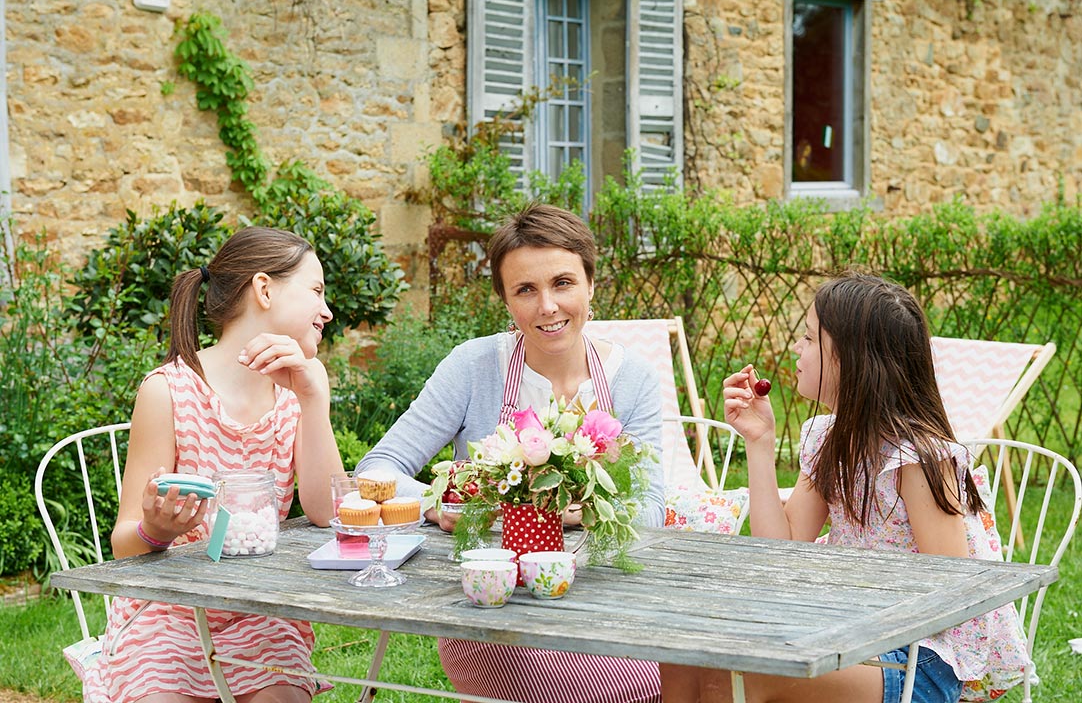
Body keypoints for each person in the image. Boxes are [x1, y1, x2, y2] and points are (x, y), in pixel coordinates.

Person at [660, 273, 1031, 703]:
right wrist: (758, 444)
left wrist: (849, 613)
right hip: (845, 637)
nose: (796, 348)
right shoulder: (830, 440)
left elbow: (952, 591)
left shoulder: (919, 459)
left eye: (809, 339)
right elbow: (781, 551)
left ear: (850, 359)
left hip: (918, 660)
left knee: (729, 678)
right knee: (685, 654)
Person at [356, 201, 665, 703]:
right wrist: (445, 505)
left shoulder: (632, 380)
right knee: (636, 685)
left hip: (611, 598)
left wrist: (583, 508)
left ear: (591, 284)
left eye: (562, 282)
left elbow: (650, 510)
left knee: (700, 678)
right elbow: (378, 469)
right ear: (505, 301)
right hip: (495, 612)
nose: (547, 306)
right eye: (526, 289)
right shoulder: (473, 367)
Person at [83, 227, 345, 703]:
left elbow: (328, 513)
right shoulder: (169, 391)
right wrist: (156, 530)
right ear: (264, 289)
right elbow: (124, 545)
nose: (326, 311)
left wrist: (312, 398)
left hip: (260, 611)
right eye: (317, 290)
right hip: (167, 612)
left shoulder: (299, 388)